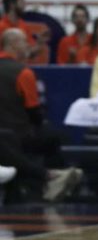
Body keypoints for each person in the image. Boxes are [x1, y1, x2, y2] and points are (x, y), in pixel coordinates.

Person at [0, 29, 82, 202]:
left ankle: (47, 178)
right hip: (18, 134)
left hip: (6, 136)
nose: (28, 45)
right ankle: (51, 182)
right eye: (24, 41)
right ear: (13, 44)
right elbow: (34, 112)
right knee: (55, 136)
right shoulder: (23, 72)